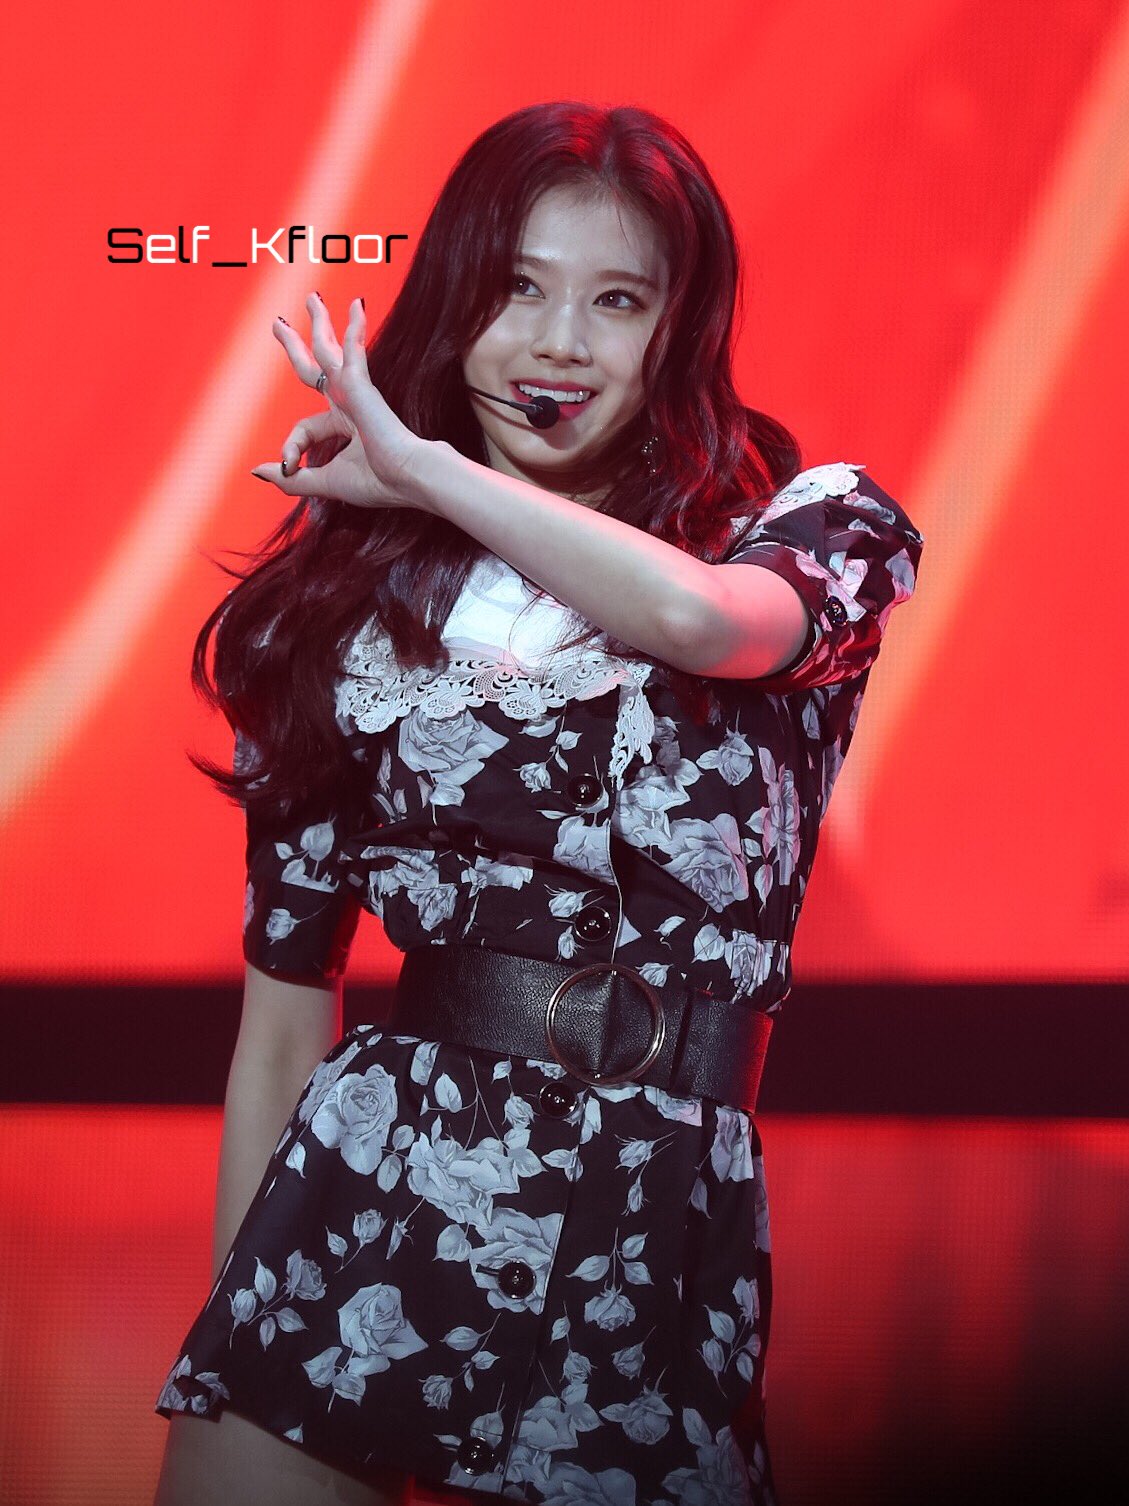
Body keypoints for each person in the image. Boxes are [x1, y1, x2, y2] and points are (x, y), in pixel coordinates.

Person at [153, 101, 923, 1506]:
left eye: (616, 300)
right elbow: (281, 1029)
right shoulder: (348, 611)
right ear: (455, 303)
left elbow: (701, 624)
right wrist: (236, 1335)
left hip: (646, 1233)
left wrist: (426, 473)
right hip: (361, 1215)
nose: (558, 344)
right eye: (517, 288)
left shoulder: (814, 533)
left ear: (679, 329)